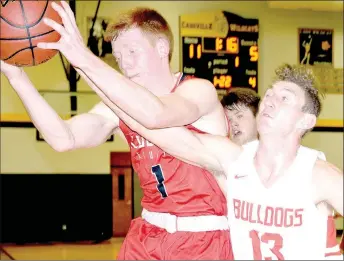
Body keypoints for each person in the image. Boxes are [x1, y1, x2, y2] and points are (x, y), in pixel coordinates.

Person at [0, 3, 232, 260]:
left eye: (133, 51)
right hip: (148, 233)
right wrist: (17, 79)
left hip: (202, 236)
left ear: (162, 48)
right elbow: (63, 138)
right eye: (119, 57)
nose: (126, 65)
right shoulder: (118, 107)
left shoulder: (198, 90)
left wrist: (83, 57)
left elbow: (155, 114)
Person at [114, 63, 343, 259]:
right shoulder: (234, 160)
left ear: (306, 120)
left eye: (284, 98)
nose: (270, 101)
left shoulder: (320, 175)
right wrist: (90, 69)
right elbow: (160, 130)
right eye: (270, 94)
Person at [221, 87, 342, 259]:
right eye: (228, 119)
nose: (233, 124)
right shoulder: (233, 165)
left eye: (239, 116)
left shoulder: (310, 168)